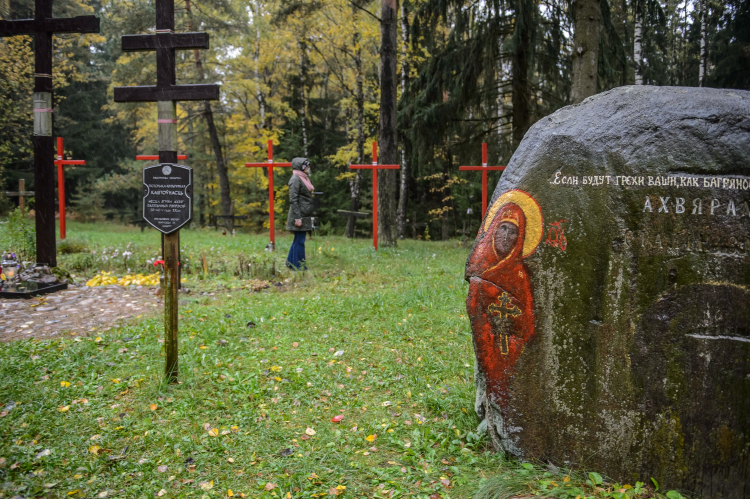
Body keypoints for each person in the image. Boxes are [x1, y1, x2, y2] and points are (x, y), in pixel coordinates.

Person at [285, 157, 314, 270]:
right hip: (299, 215)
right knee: (300, 240)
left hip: (303, 214)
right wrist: (297, 218)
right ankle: (299, 266)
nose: (308, 168)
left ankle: (290, 263)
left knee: (298, 239)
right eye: (305, 166)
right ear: (300, 167)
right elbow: (293, 199)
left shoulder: (303, 178)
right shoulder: (295, 179)